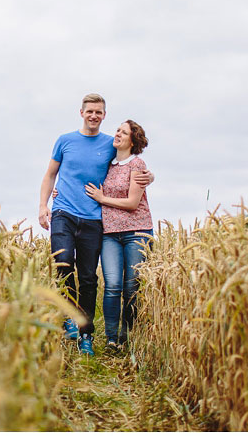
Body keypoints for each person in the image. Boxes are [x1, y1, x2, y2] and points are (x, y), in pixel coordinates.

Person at [39, 94, 153, 356]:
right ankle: (69, 317)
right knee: (63, 261)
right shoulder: (65, 141)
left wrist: (151, 176)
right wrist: (43, 205)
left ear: (103, 115)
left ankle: (86, 333)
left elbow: (132, 161)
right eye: (89, 111)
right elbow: (50, 174)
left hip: (93, 219)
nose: (93, 116)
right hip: (64, 212)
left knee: (89, 278)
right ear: (81, 113)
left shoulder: (111, 145)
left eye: (99, 112)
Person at [84, 119, 153, 352]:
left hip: (136, 232)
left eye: (123, 132)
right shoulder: (108, 166)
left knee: (132, 287)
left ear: (133, 140)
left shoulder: (137, 163)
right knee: (112, 285)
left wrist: (103, 200)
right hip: (110, 234)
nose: (117, 134)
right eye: (117, 130)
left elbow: (133, 203)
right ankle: (112, 339)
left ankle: (128, 336)